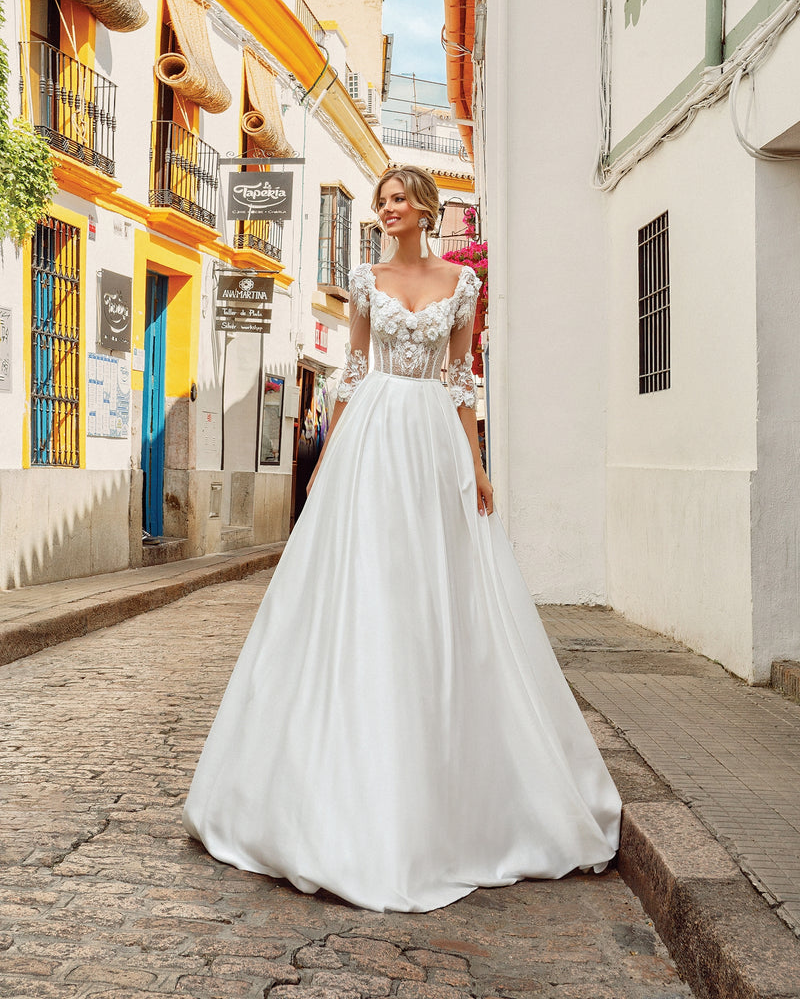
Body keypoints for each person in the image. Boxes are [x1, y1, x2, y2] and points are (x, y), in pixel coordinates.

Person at [182, 165, 622, 914]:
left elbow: (462, 377)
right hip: (374, 440)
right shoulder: (365, 278)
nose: (386, 210)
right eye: (380, 201)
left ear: (424, 208)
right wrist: (324, 463)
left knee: (437, 589)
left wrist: (477, 465)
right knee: (366, 584)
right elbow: (352, 372)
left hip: (433, 445)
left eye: (396, 200)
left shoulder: (462, 284)